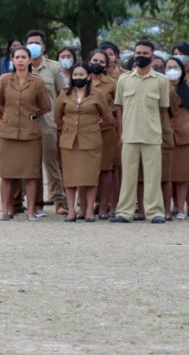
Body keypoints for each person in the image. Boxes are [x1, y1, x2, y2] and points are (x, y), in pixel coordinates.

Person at [111, 39, 171, 224]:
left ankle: (154, 212)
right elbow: (119, 108)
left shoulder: (161, 81)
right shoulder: (124, 80)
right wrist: (121, 133)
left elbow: (163, 111)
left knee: (153, 176)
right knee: (128, 176)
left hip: (152, 136)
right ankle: (125, 212)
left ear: (152, 57)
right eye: (138, 53)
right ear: (134, 55)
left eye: (145, 54)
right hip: (129, 135)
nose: (141, 56)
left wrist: (162, 134)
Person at [0, 46, 51, 221]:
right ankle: (5, 210)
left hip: (30, 132)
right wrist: (10, 116)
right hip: (9, 132)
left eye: (23, 57)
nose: (20, 60)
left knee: (31, 174)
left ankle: (31, 211)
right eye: (17, 57)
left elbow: (45, 106)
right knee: (7, 174)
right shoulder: (4, 80)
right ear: (12, 60)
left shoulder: (37, 81)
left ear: (29, 60)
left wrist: (32, 116)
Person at [54, 63, 111, 222]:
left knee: (90, 177)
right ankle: (71, 210)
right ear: (71, 77)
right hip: (69, 141)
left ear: (88, 76)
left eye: (81, 74)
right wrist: (67, 127)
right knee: (70, 177)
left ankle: (89, 210)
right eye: (75, 75)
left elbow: (108, 118)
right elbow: (57, 117)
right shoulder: (64, 94)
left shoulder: (97, 94)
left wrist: (94, 126)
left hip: (91, 140)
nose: (78, 77)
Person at [26, 29, 65, 215]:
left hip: (49, 124)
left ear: (44, 46)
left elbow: (63, 95)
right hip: (28, 124)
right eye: (30, 43)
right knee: (31, 165)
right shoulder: (21, 68)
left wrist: (61, 121)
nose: (33, 46)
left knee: (52, 164)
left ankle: (59, 200)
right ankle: (36, 204)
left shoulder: (54, 68)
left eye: (37, 43)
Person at [88, 49, 119, 219]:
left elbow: (119, 106)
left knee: (106, 170)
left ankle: (104, 208)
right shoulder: (82, 80)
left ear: (106, 65)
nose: (97, 64)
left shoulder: (112, 83)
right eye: (95, 60)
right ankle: (89, 206)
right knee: (88, 169)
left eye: (101, 62)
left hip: (106, 131)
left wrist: (107, 114)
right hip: (85, 132)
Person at [165, 57, 189, 219]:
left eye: (175, 67)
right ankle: (168, 207)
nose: (172, 70)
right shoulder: (161, 87)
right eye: (168, 67)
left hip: (183, 135)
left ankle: (180, 208)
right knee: (168, 175)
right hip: (164, 135)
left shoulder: (186, 89)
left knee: (181, 175)